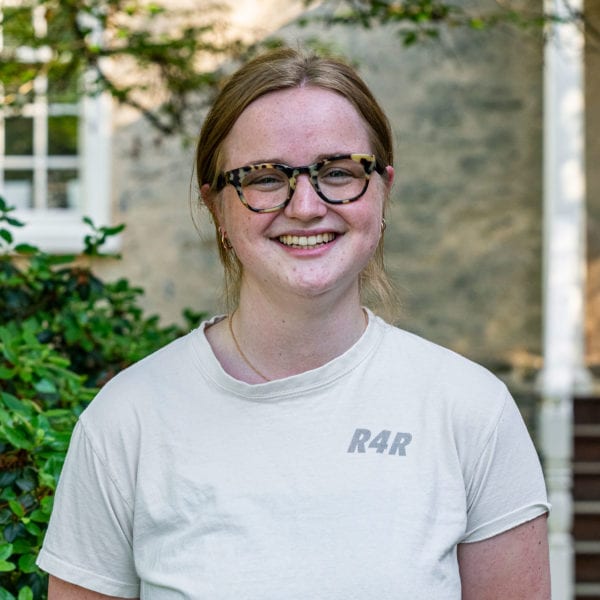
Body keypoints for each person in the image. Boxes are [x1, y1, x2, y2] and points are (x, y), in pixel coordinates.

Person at [38, 47, 551, 599]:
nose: (305, 205)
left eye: (337, 171)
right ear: (216, 205)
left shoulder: (470, 411)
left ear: (382, 189)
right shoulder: (128, 421)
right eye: (264, 177)